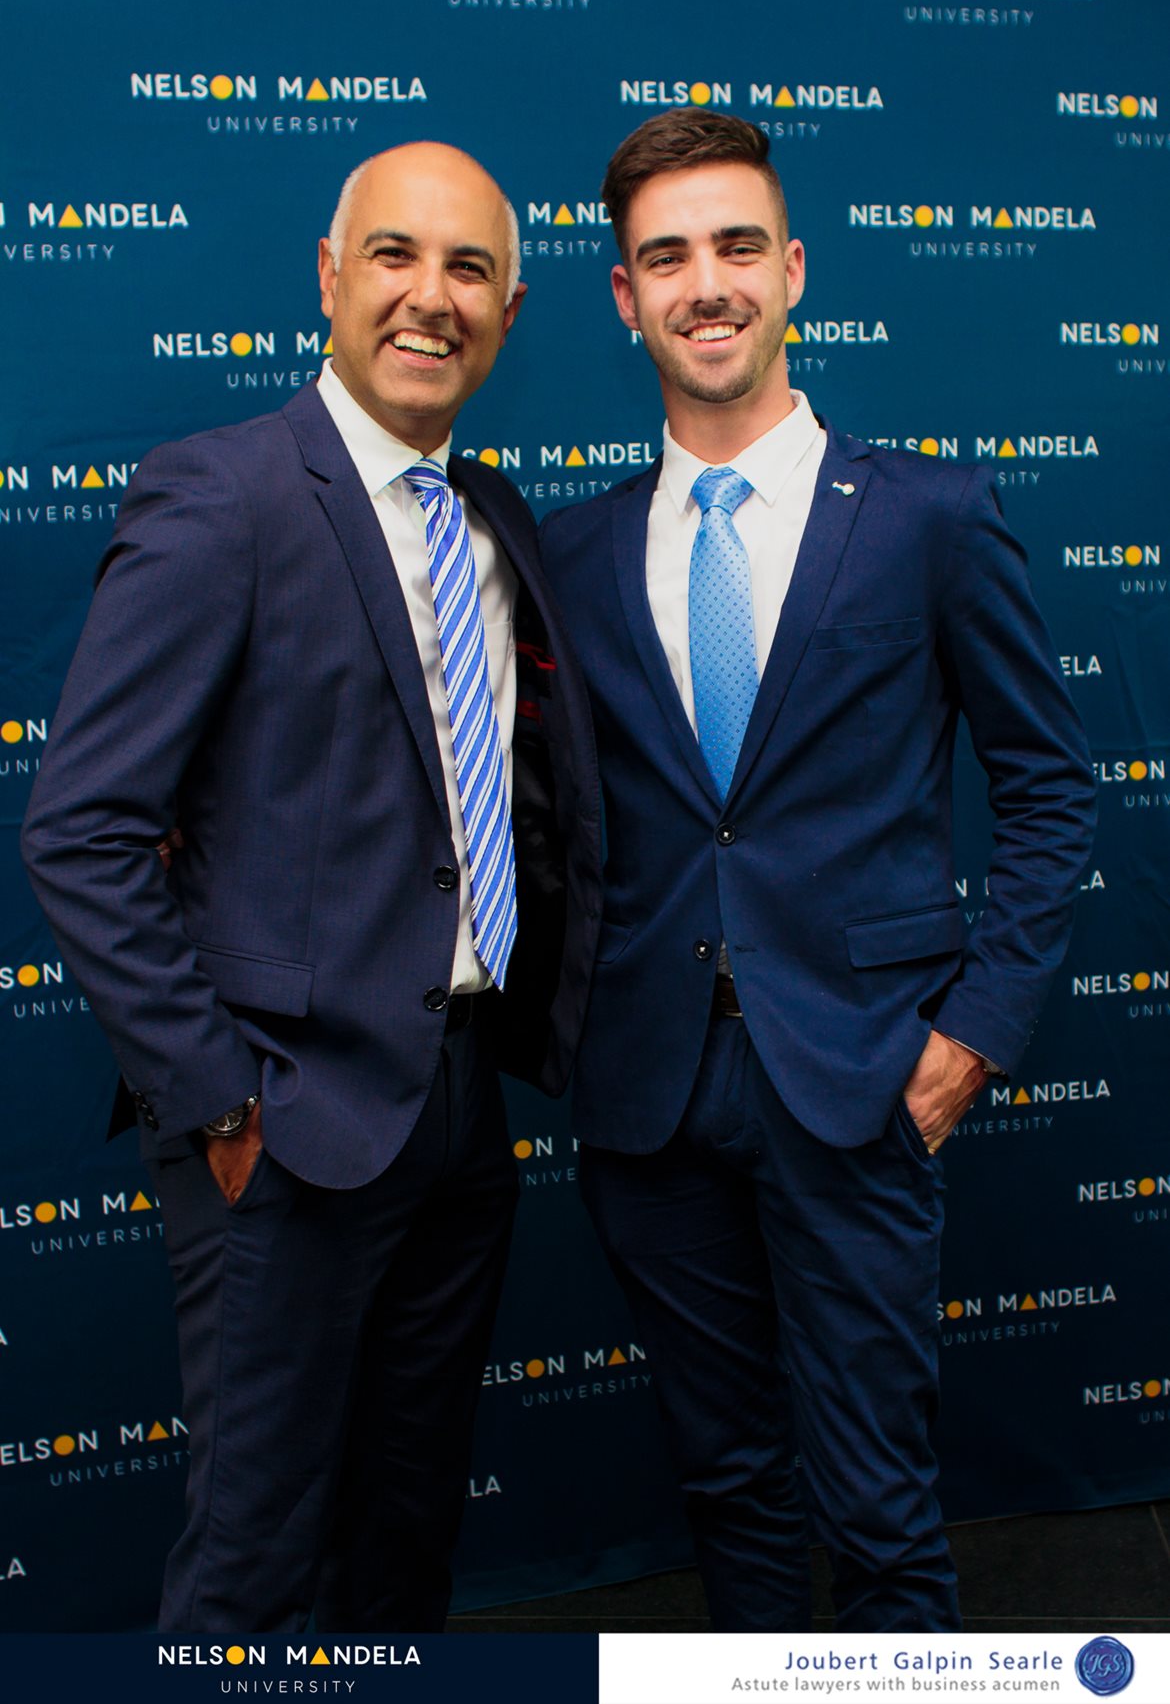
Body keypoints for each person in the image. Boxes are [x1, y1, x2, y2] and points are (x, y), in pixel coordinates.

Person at [21, 142, 601, 1634]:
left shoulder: (496, 520)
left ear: (511, 312)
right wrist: (217, 1100)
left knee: (405, 1539)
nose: (430, 296)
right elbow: (82, 828)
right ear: (330, 278)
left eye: (469, 268)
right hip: (281, 1124)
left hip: (460, 1107)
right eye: (395, 255)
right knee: (256, 1568)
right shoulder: (223, 493)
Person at [539, 110, 1096, 1632]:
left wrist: (973, 1033)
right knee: (727, 1485)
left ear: (791, 271)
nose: (704, 283)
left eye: (736, 247)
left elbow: (1050, 788)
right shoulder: (573, 554)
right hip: (648, 1095)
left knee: (878, 1503)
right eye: (665, 258)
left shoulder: (929, 517)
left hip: (858, 1078)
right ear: (625, 298)